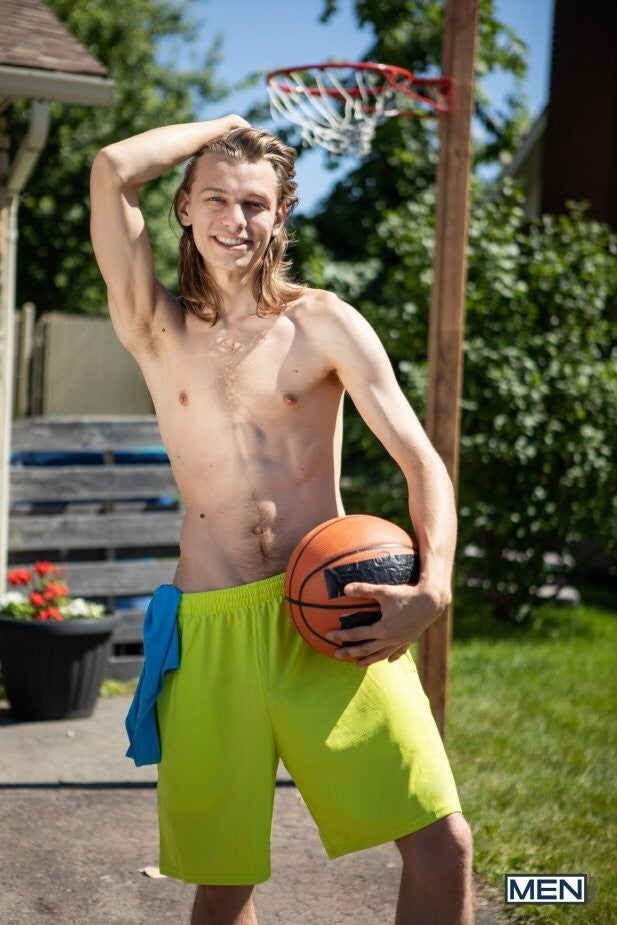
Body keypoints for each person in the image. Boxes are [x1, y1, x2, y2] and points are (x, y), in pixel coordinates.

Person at [90, 114, 473, 925]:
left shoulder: (323, 323)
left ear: (281, 214)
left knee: (444, 845)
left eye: (255, 203)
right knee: (223, 882)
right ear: (184, 208)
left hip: (332, 618)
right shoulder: (155, 327)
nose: (235, 219)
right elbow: (113, 167)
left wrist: (433, 586)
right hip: (210, 625)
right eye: (216, 199)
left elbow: (421, 461)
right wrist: (227, 127)